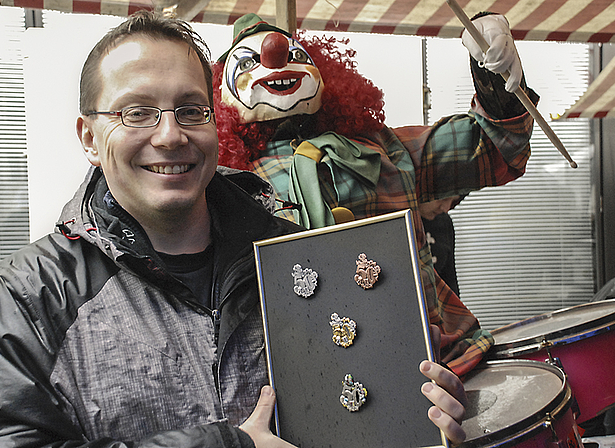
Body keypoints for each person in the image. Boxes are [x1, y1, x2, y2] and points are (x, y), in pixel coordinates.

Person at [0, 11, 467, 447]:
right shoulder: (28, 298)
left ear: (215, 122)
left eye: (191, 110)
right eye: (137, 112)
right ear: (89, 137)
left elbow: (355, 408)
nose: (170, 135)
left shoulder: (296, 257)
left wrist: (414, 410)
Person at [212, 12, 539, 376]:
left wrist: (492, 71)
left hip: (446, 366)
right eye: (247, 61)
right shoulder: (224, 186)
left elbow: (492, 145)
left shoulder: (387, 150)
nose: (275, 57)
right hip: (316, 391)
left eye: (296, 55)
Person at [420, 196, 464, 295]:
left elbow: (449, 280)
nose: (446, 208)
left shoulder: (444, 222)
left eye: (453, 201)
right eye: (442, 198)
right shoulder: (393, 220)